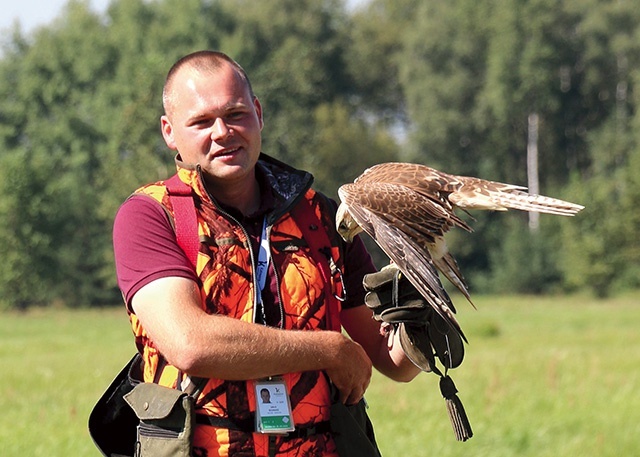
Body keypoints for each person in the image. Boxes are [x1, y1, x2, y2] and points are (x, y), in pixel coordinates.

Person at [112, 50, 420, 457]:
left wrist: (423, 310)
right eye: (201, 122)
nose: (222, 132)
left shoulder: (321, 215)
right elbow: (190, 344)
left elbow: (390, 359)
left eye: (236, 114)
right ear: (170, 132)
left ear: (258, 113)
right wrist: (331, 349)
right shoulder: (152, 215)